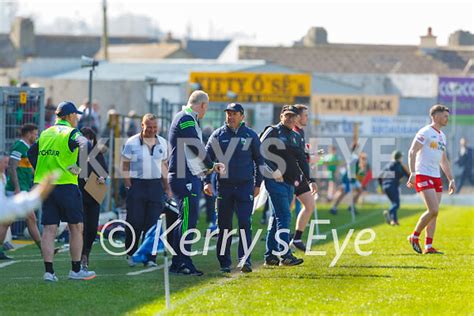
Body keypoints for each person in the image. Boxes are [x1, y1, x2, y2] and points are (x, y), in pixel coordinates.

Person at [28, 101, 96, 281]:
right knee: (76, 227)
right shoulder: (72, 132)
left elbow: (31, 153)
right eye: (76, 115)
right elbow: (86, 145)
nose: (77, 118)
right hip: (66, 184)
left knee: (49, 229)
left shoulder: (45, 133)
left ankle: (49, 272)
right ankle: (75, 270)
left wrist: (40, 169)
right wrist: (79, 167)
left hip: (47, 187)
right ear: (68, 116)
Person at [168, 90, 225, 276]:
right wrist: (210, 164)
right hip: (182, 176)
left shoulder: (189, 118)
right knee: (187, 221)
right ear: (202, 105)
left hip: (187, 175)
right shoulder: (186, 118)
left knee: (186, 219)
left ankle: (178, 262)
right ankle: (183, 261)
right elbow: (195, 144)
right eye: (206, 108)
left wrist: (205, 169)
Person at [204, 103, 264, 273]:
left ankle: (245, 260)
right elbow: (207, 160)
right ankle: (224, 262)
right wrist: (207, 181)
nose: (230, 117)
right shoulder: (218, 135)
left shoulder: (250, 135)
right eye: (228, 114)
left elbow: (260, 161)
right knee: (224, 226)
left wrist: (258, 184)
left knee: (245, 223)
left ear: (242, 116)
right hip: (224, 187)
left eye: (234, 114)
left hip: (245, 187)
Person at [260, 105, 308, 267]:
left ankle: (270, 255)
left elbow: (301, 159)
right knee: (285, 216)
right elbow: (259, 150)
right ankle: (285, 254)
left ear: (296, 118)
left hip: (289, 183)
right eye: (286, 116)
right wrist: (273, 170)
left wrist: (311, 179)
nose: (289, 118)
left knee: (276, 218)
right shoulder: (273, 131)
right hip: (275, 181)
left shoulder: (295, 136)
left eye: (293, 116)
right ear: (281, 116)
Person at [122, 114, 171, 267]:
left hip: (155, 187)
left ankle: (150, 257)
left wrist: (167, 188)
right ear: (142, 126)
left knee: (153, 224)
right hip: (137, 186)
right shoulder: (132, 142)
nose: (152, 130)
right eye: (149, 127)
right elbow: (124, 166)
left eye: (155, 127)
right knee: (134, 222)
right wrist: (129, 185)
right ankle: (131, 254)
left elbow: (164, 167)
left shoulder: (163, 142)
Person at [407, 104, 455, 254]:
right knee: (433, 209)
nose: (447, 118)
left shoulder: (442, 135)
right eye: (445, 116)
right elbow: (412, 151)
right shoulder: (425, 132)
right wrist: (413, 173)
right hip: (423, 174)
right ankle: (414, 236)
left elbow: (443, 160)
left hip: (436, 176)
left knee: (435, 212)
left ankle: (428, 246)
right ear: (435, 116)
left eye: (448, 116)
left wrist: (451, 179)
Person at [0, 124, 42, 257]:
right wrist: (17, 188)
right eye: (35, 134)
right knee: (31, 219)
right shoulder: (19, 146)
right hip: (17, 190)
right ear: (28, 134)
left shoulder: (27, 148)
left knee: (7, 223)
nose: (36, 136)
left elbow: (25, 169)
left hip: (22, 189)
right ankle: (44, 248)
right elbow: (12, 167)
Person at [289, 104, 318, 251]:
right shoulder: (293, 131)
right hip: (291, 176)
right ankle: (281, 239)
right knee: (287, 208)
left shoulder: (300, 132)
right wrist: (309, 157)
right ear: (298, 117)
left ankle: (296, 238)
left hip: (298, 176)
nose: (307, 118)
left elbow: (300, 153)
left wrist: (309, 153)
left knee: (309, 205)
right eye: (305, 115)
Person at [78, 127, 108, 270]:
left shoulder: (97, 153)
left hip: (94, 194)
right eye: (85, 137)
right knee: (81, 227)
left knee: (91, 228)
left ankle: (86, 252)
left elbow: (104, 171)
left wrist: (102, 178)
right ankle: (81, 256)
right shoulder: (75, 153)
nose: (88, 140)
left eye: (90, 137)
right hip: (79, 194)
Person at [0, 152, 56, 224]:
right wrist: (36, 195)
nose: (7, 166)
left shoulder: (2, 177)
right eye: (5, 162)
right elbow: (4, 210)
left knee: (6, 224)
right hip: (19, 198)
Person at [379, 150, 410, 226]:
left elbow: (380, 176)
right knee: (397, 204)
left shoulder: (388, 165)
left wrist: (381, 186)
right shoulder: (399, 165)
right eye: (401, 157)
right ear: (399, 158)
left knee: (393, 203)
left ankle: (395, 221)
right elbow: (408, 175)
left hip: (385, 186)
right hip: (393, 186)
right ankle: (389, 213)